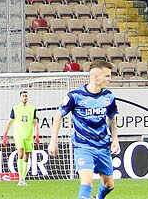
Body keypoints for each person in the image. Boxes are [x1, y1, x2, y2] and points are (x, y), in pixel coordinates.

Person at [48, 60, 118, 199]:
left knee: (109, 185)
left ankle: (98, 197)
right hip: (83, 146)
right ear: (95, 77)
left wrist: (115, 138)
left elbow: (112, 118)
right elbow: (58, 116)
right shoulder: (75, 96)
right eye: (107, 76)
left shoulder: (108, 96)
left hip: (103, 147)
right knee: (87, 182)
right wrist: (53, 141)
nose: (110, 79)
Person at [1, 91, 37, 186]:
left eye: (26, 96)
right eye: (23, 96)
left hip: (29, 136)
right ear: (20, 97)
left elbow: (35, 122)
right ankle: (20, 178)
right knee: (20, 154)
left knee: (27, 156)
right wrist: (5, 134)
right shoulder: (15, 108)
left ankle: (23, 179)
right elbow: (10, 121)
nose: (25, 97)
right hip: (19, 135)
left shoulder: (32, 108)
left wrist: (37, 134)